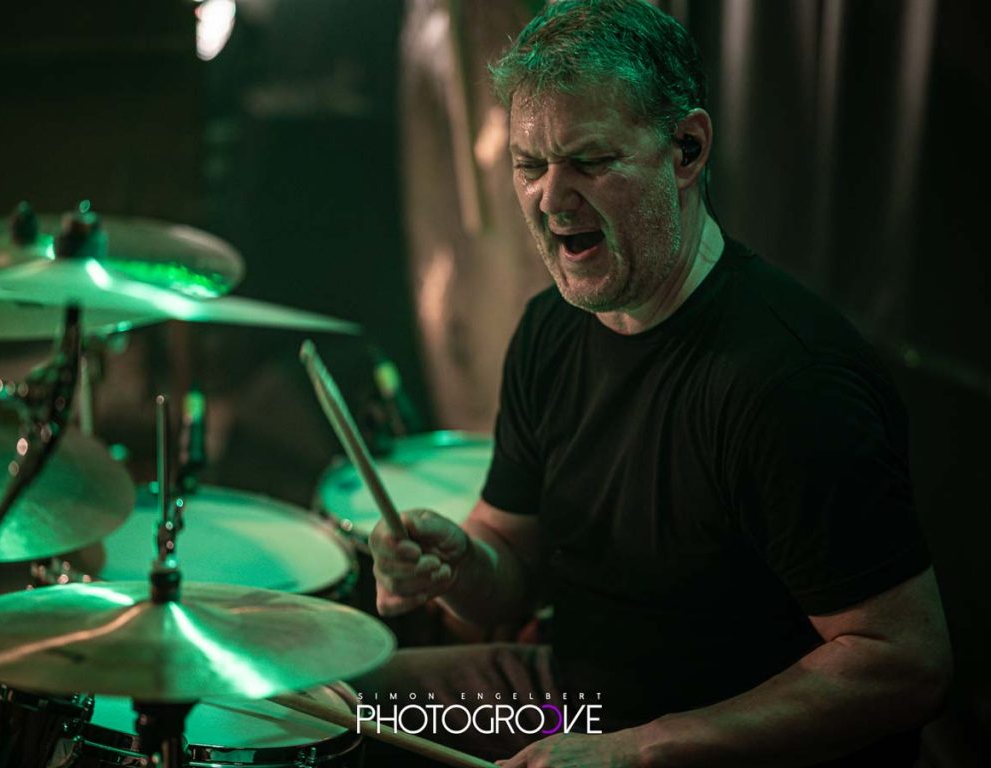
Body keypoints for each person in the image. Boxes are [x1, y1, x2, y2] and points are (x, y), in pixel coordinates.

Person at [363, 1, 952, 766]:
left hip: (711, 744)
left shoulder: (790, 382)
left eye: (590, 161)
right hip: (569, 703)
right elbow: (509, 565)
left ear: (686, 150)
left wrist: (637, 751)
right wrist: (459, 563)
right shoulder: (550, 330)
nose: (551, 199)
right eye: (530, 165)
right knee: (333, 707)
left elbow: (904, 661)